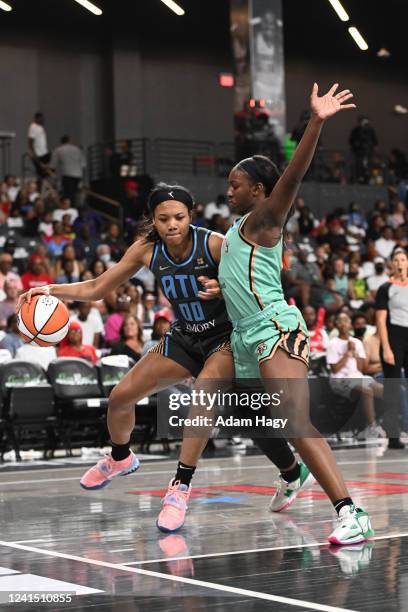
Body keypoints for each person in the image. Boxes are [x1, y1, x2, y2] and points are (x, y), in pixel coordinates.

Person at [17, 183, 312, 534]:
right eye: (163, 219)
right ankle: (120, 456)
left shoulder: (215, 244)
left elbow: (257, 281)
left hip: (227, 339)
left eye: (179, 217)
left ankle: (180, 487)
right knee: (122, 397)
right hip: (186, 336)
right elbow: (98, 287)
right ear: (152, 220)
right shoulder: (146, 250)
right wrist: (50, 289)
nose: (172, 224)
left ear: (191, 215)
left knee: (215, 400)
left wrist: (223, 287)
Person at [218, 83, 374, 545]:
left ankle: (351, 511)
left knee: (291, 418)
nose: (228, 192)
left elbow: (293, 178)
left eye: (236, 185)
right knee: (238, 410)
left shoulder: (264, 219)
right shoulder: (234, 230)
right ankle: (291, 470)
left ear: (259, 191)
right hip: (244, 333)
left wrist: (316, 123)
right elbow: (238, 277)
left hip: (274, 330)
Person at [326, 313, 384, 441]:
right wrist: (347, 353)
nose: (343, 324)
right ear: (336, 325)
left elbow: (361, 368)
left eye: (346, 321)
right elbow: (335, 369)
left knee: (385, 390)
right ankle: (372, 427)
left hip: (358, 377)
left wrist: (355, 351)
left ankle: (381, 422)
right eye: (340, 321)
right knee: (366, 390)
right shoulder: (333, 343)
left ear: (350, 324)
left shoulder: (357, 342)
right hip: (340, 380)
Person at [376, 247, 408, 449]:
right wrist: (387, 348)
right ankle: (393, 437)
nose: (400, 263)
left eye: (403, 259)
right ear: (392, 264)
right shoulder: (385, 288)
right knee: (393, 389)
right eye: (396, 259)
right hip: (393, 338)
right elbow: (380, 320)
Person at [50, 135, 85, 202]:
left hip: (67, 174)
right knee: (74, 193)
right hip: (78, 174)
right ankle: (74, 208)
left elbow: (53, 165)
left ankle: (70, 207)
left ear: (61, 141)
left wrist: (53, 175)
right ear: (69, 141)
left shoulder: (58, 150)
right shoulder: (77, 149)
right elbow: (83, 164)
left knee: (68, 194)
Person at [28, 112, 50, 179]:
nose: (43, 120)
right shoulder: (33, 127)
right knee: (41, 172)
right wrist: (32, 153)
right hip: (38, 154)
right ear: (37, 119)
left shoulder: (40, 127)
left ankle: (44, 181)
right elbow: (30, 141)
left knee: (46, 171)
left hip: (44, 153)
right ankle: (40, 184)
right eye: (42, 119)